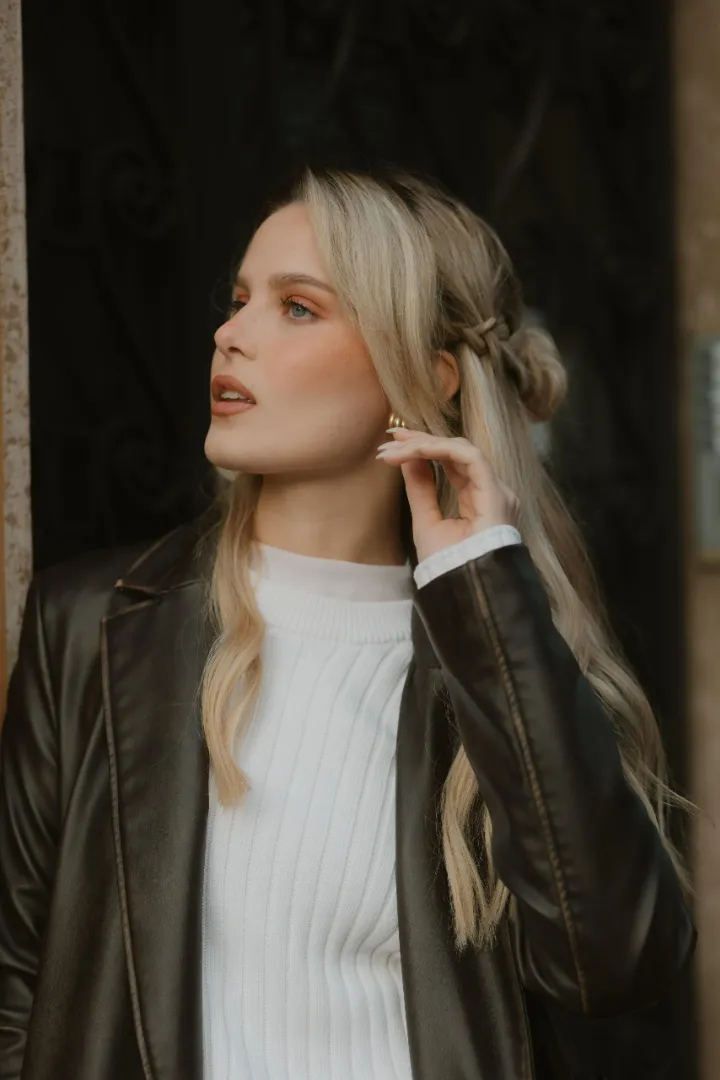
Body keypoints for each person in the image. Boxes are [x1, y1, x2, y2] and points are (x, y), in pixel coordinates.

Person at [0, 166, 696, 1080]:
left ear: (425, 376)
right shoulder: (90, 625)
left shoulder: (497, 652)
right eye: (240, 299)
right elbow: (18, 992)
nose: (230, 334)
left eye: (298, 308)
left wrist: (485, 591)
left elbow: (617, 962)